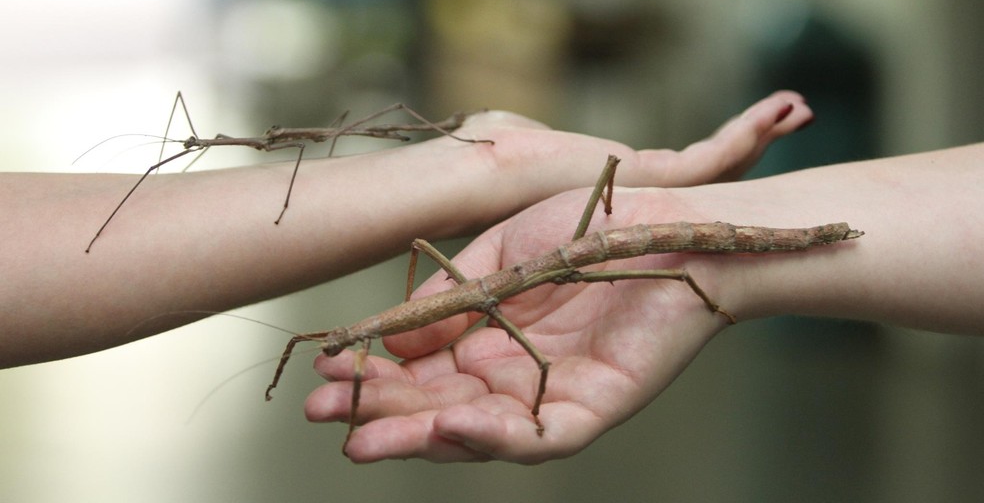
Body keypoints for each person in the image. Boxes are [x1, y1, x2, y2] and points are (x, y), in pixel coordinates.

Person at [0, 91, 812, 369]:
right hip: (550, 242)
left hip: (591, 248)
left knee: (671, 263)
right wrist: (464, 175)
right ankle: (478, 159)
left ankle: (479, 158)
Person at [304, 139, 984, 464]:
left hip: (609, 248)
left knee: (690, 264)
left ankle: (814, 238)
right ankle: (797, 243)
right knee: (687, 267)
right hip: (595, 253)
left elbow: (535, 363)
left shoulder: (495, 300)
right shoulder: (471, 297)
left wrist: (538, 393)